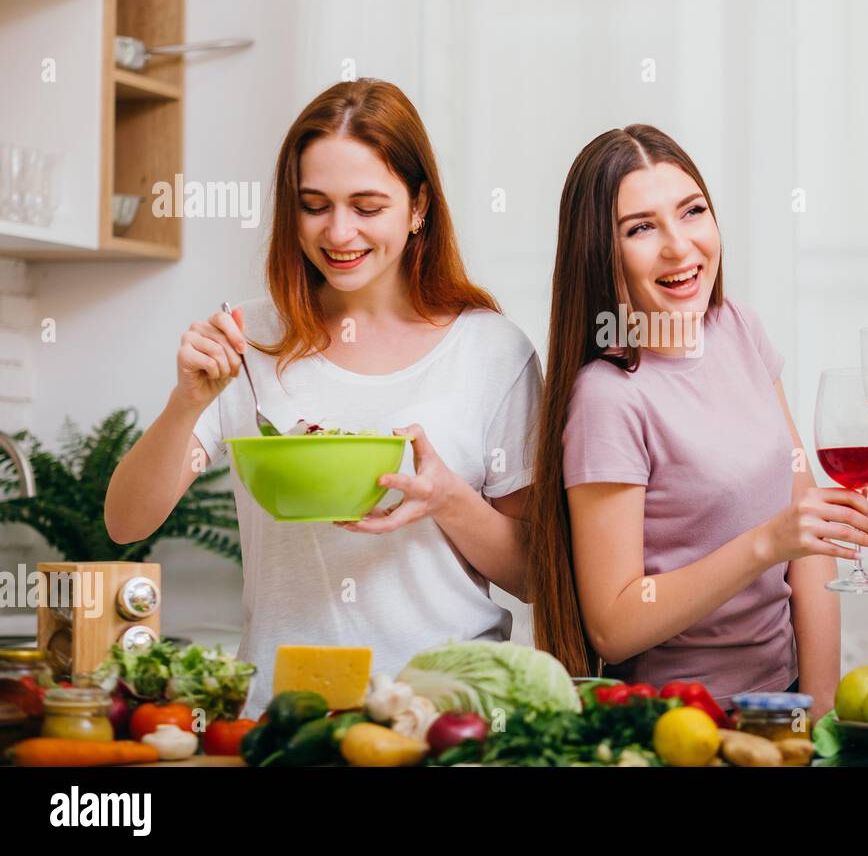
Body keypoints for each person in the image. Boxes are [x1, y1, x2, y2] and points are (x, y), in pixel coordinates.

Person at [105, 79, 541, 717]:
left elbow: (535, 577)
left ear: (418, 207)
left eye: (368, 206)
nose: (339, 233)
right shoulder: (247, 340)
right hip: (282, 717)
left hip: (447, 719)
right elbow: (126, 522)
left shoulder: (492, 351)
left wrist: (446, 498)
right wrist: (186, 403)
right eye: (315, 205)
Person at [527, 124, 868, 716]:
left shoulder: (737, 328)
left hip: (781, 704)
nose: (679, 247)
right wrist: (766, 542)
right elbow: (613, 624)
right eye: (641, 228)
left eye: (692, 212)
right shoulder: (608, 398)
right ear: (599, 250)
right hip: (680, 723)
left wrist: (818, 715)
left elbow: (809, 534)